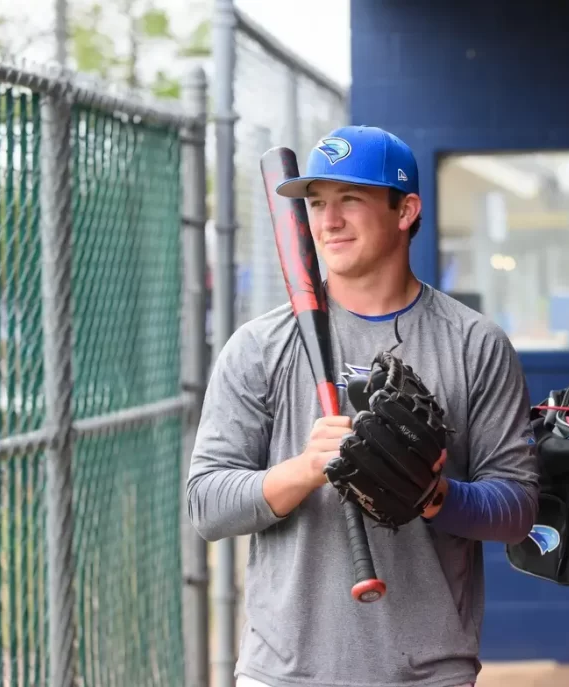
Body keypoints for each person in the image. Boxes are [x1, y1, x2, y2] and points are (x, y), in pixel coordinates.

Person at [186, 125, 541, 687]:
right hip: (285, 672)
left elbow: (518, 508)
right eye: (318, 204)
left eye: (350, 199)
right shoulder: (258, 346)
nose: (327, 221)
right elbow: (206, 504)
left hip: (427, 671)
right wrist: (304, 470)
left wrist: (434, 495)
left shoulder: (475, 343)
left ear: (406, 211)